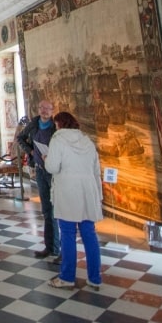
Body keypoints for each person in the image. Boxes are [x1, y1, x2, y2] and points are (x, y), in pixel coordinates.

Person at [44, 111, 103, 291]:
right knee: (89, 234)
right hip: (87, 190)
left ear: (60, 124)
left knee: (68, 234)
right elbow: (95, 170)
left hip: (68, 190)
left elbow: (53, 167)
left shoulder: (58, 139)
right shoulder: (87, 141)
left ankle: (67, 276)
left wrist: (46, 159)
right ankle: (95, 278)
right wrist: (98, 195)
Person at [16, 100, 61, 261]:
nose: (44, 111)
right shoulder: (34, 124)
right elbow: (20, 138)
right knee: (46, 210)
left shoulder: (56, 126)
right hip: (41, 170)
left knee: (57, 210)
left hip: (55, 172)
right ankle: (50, 247)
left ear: (52, 110)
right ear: (38, 109)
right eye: (42, 108)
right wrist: (31, 151)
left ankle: (58, 247)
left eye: (48, 109)